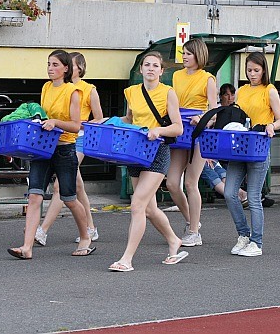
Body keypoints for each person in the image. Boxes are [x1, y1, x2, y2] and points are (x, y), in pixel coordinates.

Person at [7, 50, 93, 260]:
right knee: (35, 196)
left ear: (66, 68)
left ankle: (85, 236)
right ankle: (27, 247)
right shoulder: (46, 87)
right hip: (42, 148)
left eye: (55, 64)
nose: (50, 68)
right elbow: (44, 115)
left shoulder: (73, 91)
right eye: (48, 64)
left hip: (64, 149)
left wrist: (55, 122)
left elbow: (76, 125)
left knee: (69, 198)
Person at [108, 52, 185, 272]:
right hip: (134, 152)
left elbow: (178, 127)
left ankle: (127, 259)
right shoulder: (132, 92)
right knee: (149, 209)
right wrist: (109, 121)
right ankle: (173, 240)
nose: (151, 69)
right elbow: (130, 119)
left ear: (162, 71)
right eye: (147, 65)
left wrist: (158, 130)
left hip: (157, 151)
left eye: (155, 66)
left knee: (137, 205)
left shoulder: (168, 93)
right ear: (141, 69)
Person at [34, 52, 104, 247]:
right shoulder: (53, 87)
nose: (53, 68)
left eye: (68, 65)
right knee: (77, 187)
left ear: (77, 68)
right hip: (56, 138)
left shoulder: (87, 90)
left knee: (60, 187)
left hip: (78, 138)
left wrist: (81, 125)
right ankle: (90, 228)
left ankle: (43, 230)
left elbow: (99, 118)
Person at [224, 52, 280, 257]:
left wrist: (270, 126)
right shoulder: (241, 91)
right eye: (249, 70)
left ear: (263, 70)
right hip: (239, 146)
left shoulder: (270, 90)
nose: (252, 74)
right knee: (229, 192)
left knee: (254, 197)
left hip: (259, 145)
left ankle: (256, 242)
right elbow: (237, 118)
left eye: (256, 70)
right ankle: (243, 235)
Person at [165, 38, 217, 247]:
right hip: (180, 130)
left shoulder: (208, 79)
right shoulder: (176, 76)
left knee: (190, 182)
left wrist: (201, 119)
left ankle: (194, 231)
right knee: (171, 183)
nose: (184, 57)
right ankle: (191, 221)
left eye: (188, 53)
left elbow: (214, 111)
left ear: (198, 55)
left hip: (199, 132)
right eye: (183, 53)